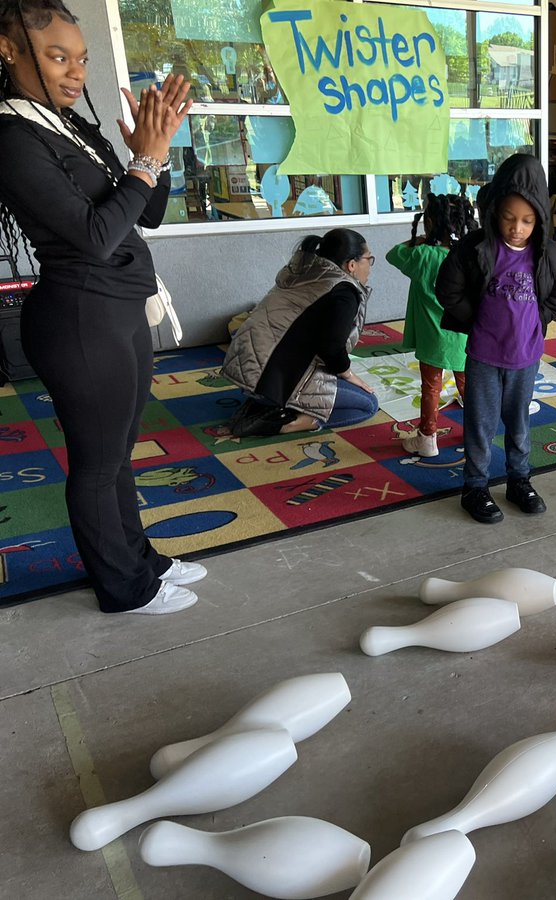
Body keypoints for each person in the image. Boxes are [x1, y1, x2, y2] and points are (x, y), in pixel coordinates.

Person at [0, 1, 205, 615]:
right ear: (8, 51)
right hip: (80, 321)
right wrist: (142, 163)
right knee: (95, 464)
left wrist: (157, 149)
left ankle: (139, 558)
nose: (74, 72)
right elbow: (94, 236)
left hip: (119, 311)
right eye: (57, 57)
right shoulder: (13, 136)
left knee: (119, 453)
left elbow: (144, 213)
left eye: (81, 58)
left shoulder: (69, 123)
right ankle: (123, 588)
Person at [437, 153, 556, 525]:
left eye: (527, 220)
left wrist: (537, 321)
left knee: (519, 423)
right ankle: (475, 487)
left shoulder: (549, 255)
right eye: (509, 218)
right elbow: (447, 289)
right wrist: (477, 322)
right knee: (480, 423)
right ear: (495, 212)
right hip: (483, 355)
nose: (517, 228)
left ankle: (519, 480)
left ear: (539, 218)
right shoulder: (475, 248)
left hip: (525, 357)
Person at [222, 228, 378, 437]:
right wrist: (349, 374)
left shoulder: (305, 271)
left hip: (249, 373)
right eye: (369, 259)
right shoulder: (343, 291)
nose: (370, 266)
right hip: (277, 380)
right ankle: (289, 421)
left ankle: (263, 407)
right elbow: (330, 347)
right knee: (368, 404)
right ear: (352, 265)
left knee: (341, 385)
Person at [386, 193, 477, 458]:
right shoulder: (469, 256)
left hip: (431, 337)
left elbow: (393, 254)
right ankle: (474, 432)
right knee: (468, 386)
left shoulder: (422, 255)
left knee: (431, 387)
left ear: (430, 224)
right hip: (463, 336)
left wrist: (424, 239)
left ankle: (428, 437)